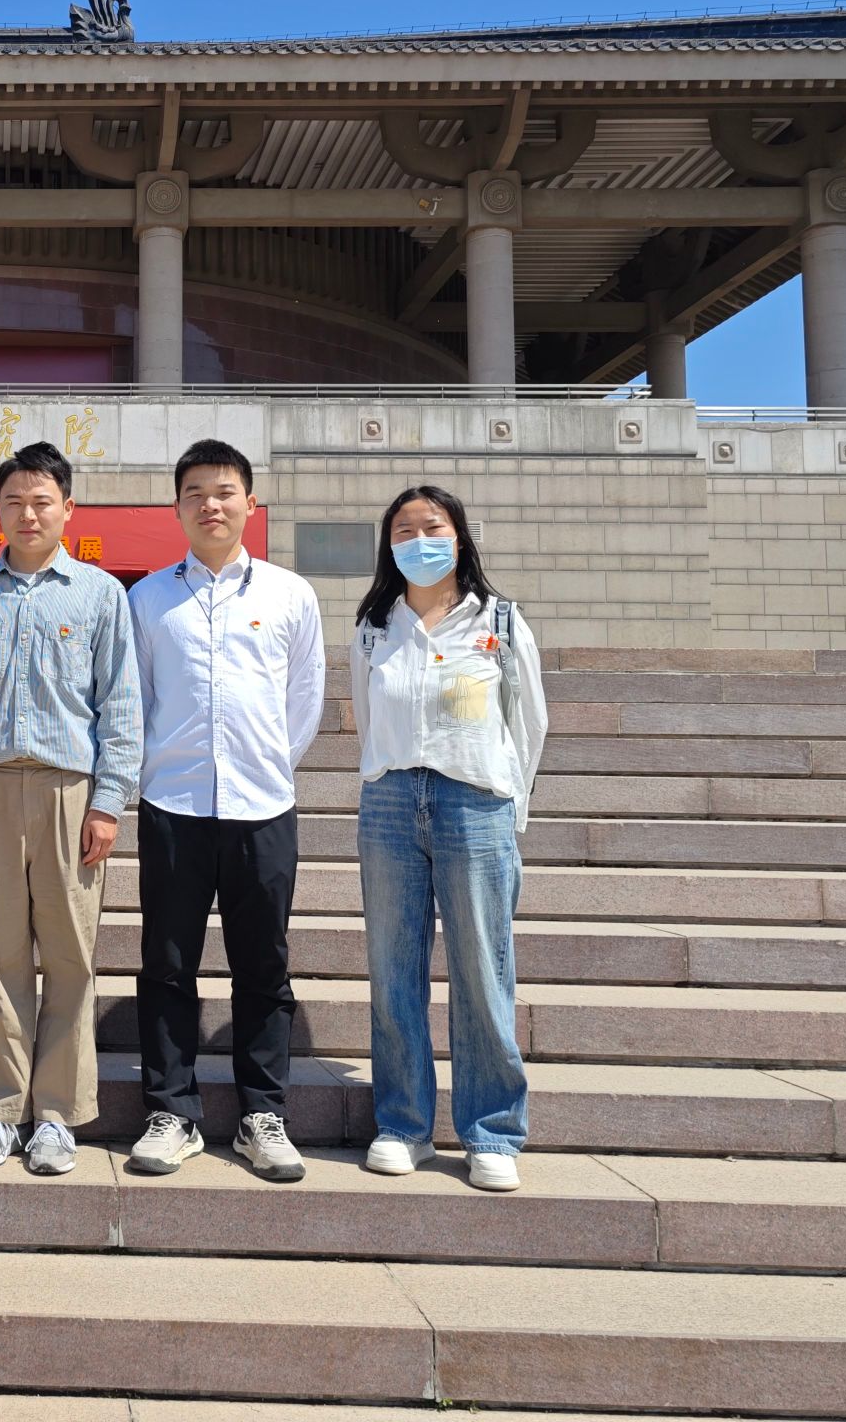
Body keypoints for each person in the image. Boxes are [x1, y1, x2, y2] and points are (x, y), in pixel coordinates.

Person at [0, 441, 141, 1176]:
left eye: (42, 501)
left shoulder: (100, 594)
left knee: (71, 954)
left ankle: (56, 1115)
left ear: (68, 509)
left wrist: (108, 802)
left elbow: (121, 704)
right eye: (14, 500)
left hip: (68, 793)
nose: (28, 513)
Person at [125, 439, 324, 1183]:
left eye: (225, 491)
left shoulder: (289, 595)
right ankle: (171, 1113)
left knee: (264, 965)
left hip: (262, 807)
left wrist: (264, 764)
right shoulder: (148, 599)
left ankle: (261, 1115)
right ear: (176, 507)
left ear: (249, 503)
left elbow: (304, 698)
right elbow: (137, 700)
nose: (211, 504)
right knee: (167, 964)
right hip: (172, 804)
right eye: (196, 493)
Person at [350, 484, 547, 1192]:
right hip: (391, 801)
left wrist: (508, 803)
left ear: (460, 538)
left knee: (481, 970)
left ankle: (491, 1131)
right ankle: (403, 1125)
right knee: (392, 969)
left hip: (475, 801)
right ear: (389, 545)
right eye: (404, 530)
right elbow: (367, 715)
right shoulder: (374, 626)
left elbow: (529, 721)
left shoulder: (499, 620)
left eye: (432, 527)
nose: (419, 540)